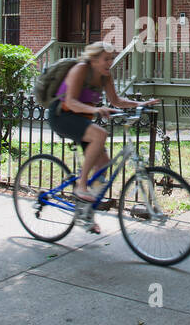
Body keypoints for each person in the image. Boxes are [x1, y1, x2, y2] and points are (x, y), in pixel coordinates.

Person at [48, 41, 158, 205]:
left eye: (111, 58)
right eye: (106, 59)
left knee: (103, 164)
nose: (110, 62)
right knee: (100, 134)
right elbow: (70, 102)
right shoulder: (80, 69)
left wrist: (139, 104)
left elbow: (116, 100)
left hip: (81, 119)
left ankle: (86, 210)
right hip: (61, 115)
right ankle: (81, 186)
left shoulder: (105, 76)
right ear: (93, 60)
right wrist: (96, 110)